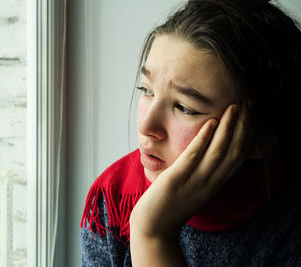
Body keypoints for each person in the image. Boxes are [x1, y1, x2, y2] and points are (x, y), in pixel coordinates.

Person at [80, 0, 301, 266]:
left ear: (259, 136)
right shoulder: (113, 200)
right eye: (147, 90)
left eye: (184, 107)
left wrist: (153, 234)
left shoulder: (289, 226)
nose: (146, 127)